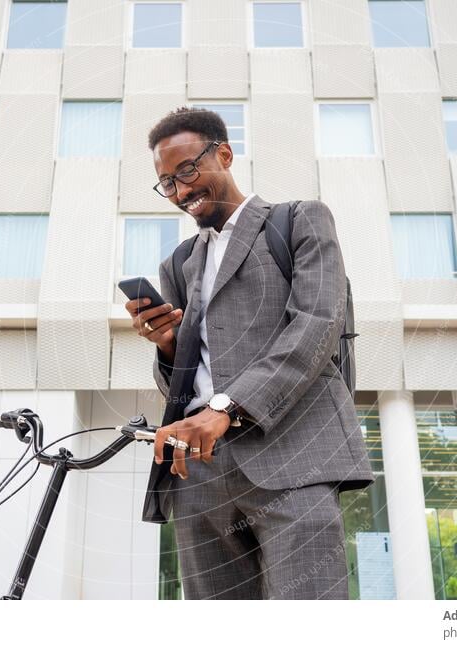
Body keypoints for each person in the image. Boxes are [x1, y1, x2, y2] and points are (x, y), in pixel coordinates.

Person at [124, 107, 374, 599]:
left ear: (224, 153)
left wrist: (225, 408)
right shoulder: (178, 262)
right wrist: (170, 348)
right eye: (167, 182)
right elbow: (188, 376)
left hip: (293, 454)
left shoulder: (299, 220)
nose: (181, 191)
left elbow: (317, 326)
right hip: (198, 468)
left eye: (188, 171)